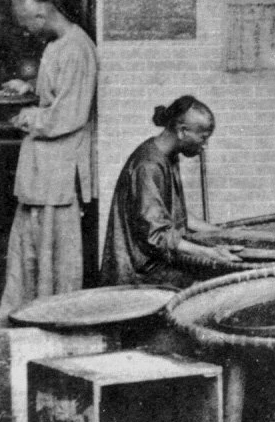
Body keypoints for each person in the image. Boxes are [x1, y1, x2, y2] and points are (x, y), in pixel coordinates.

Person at [0, 0, 97, 312]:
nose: (25, 30)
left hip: (59, 173)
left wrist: (30, 117)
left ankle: (51, 316)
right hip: (41, 172)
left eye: (27, 22)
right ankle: (25, 314)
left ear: (42, 14)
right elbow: (55, 94)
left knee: (56, 260)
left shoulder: (77, 48)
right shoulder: (55, 45)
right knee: (30, 250)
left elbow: (70, 114)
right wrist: (29, 90)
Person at [100, 96, 243, 287]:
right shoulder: (148, 166)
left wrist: (222, 234)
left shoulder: (168, 156)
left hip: (155, 267)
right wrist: (210, 253)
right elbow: (157, 238)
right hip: (138, 275)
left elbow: (181, 216)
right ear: (183, 131)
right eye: (203, 137)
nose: (205, 145)